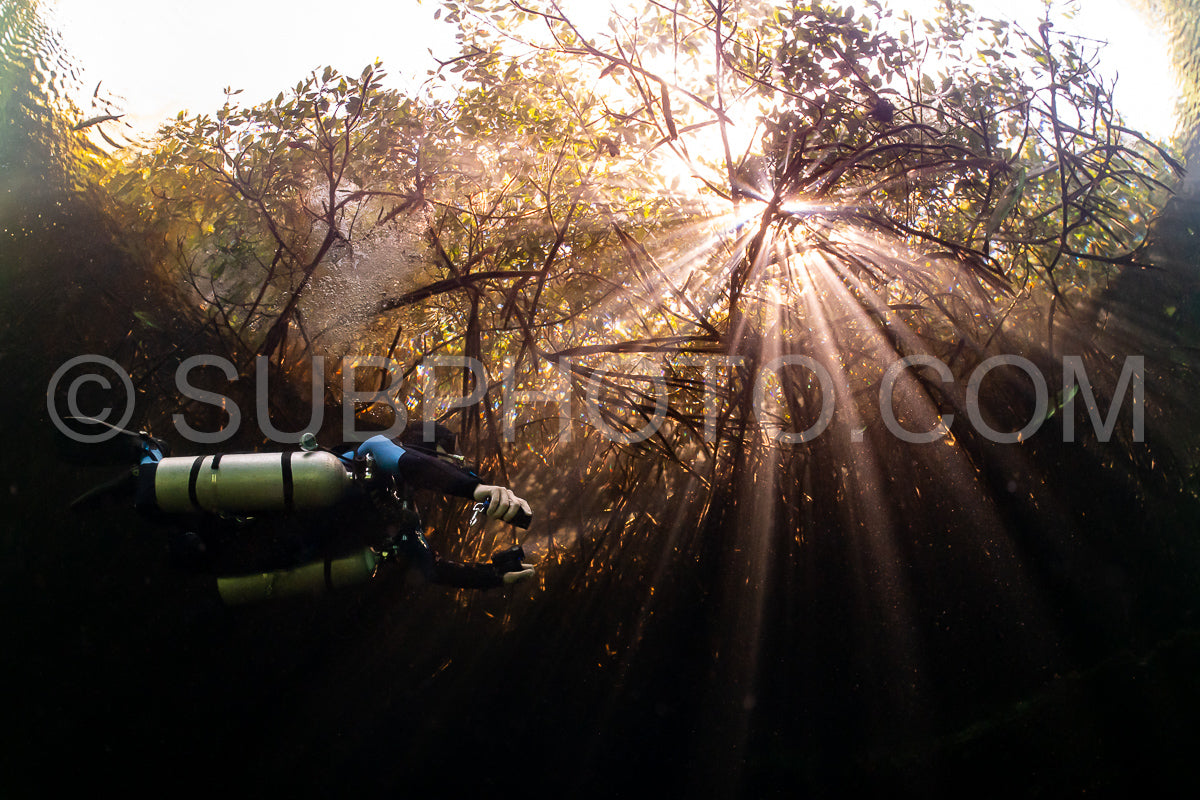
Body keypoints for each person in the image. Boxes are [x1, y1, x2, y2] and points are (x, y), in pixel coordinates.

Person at [120, 421, 536, 603]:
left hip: (267, 549)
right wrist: (474, 487)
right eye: (448, 458)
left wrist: (491, 576)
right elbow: (413, 464)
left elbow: (431, 568)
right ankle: (148, 451)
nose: (448, 468)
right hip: (253, 508)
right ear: (431, 452)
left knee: (191, 555)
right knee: (151, 503)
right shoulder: (377, 454)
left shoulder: (403, 519)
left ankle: (153, 468)